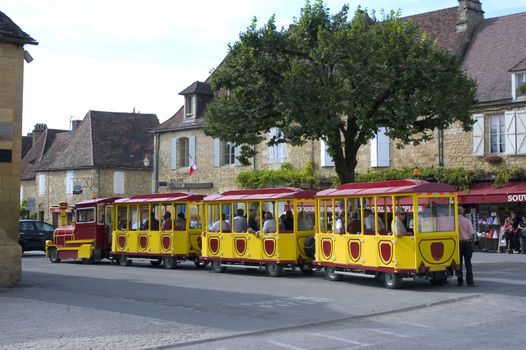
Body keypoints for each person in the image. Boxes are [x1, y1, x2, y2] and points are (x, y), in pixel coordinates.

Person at [458, 206, 476, 287]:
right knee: (468, 263)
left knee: (459, 263)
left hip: (458, 244)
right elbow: (472, 233)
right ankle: (470, 282)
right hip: (467, 243)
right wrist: (472, 242)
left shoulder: (454, 221)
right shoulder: (467, 221)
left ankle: (460, 281)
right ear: (462, 212)